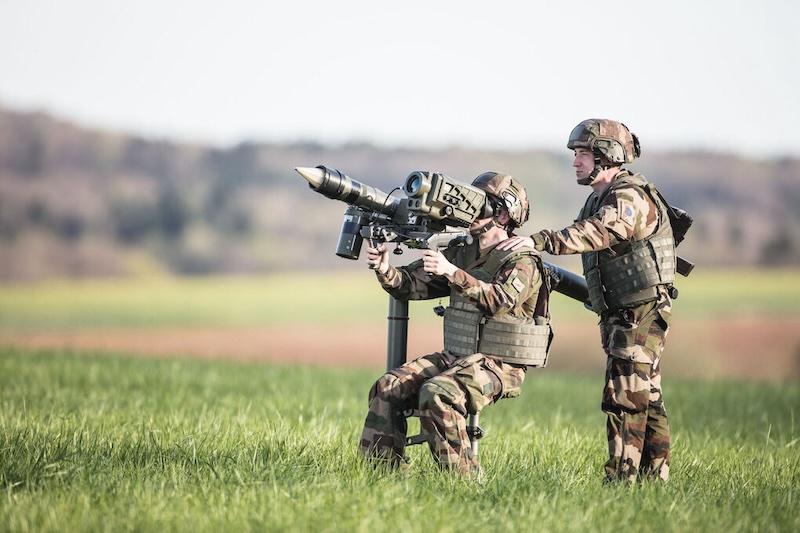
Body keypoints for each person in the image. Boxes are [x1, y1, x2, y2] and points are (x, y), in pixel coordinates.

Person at [499, 119, 675, 482]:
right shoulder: (600, 197)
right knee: (646, 396)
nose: (575, 161)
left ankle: (621, 482)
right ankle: (655, 480)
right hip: (623, 312)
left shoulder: (628, 196)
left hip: (639, 312)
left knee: (625, 398)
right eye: (576, 153)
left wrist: (540, 241)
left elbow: (599, 232)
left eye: (583, 153)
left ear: (607, 155)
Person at [358, 172, 552, 475]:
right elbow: (410, 285)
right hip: (458, 355)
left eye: (480, 204)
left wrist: (451, 272)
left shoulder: (522, 260)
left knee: (438, 393)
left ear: (503, 214)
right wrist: (384, 269)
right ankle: (380, 476)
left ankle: (463, 482)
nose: (469, 211)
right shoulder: (462, 251)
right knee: (388, 388)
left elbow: (499, 301)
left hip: (500, 364)